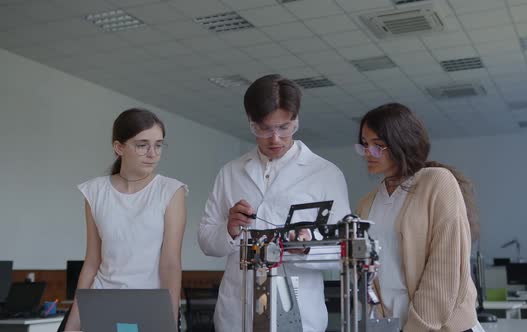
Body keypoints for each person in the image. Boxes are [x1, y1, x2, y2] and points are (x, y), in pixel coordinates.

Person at [198, 74, 350, 332]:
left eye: (284, 127)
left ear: (296, 121)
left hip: (300, 314)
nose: (275, 138)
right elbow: (206, 241)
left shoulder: (325, 173)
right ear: (251, 123)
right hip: (238, 315)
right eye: (265, 129)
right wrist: (229, 228)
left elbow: (342, 250)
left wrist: (305, 247)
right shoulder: (230, 172)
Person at [354, 103, 484, 332]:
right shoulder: (366, 204)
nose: (368, 153)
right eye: (365, 145)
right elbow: (368, 278)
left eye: (378, 146)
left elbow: (444, 271)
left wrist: (417, 328)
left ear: (401, 143)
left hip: (443, 327)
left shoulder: (437, 182)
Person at [63, 108, 188, 331]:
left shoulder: (170, 190)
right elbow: (92, 261)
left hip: (150, 307)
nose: (153, 153)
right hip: (102, 304)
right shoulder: (95, 191)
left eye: (158, 145)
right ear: (118, 147)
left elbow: (170, 264)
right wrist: (72, 324)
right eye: (142, 145)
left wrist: (170, 323)